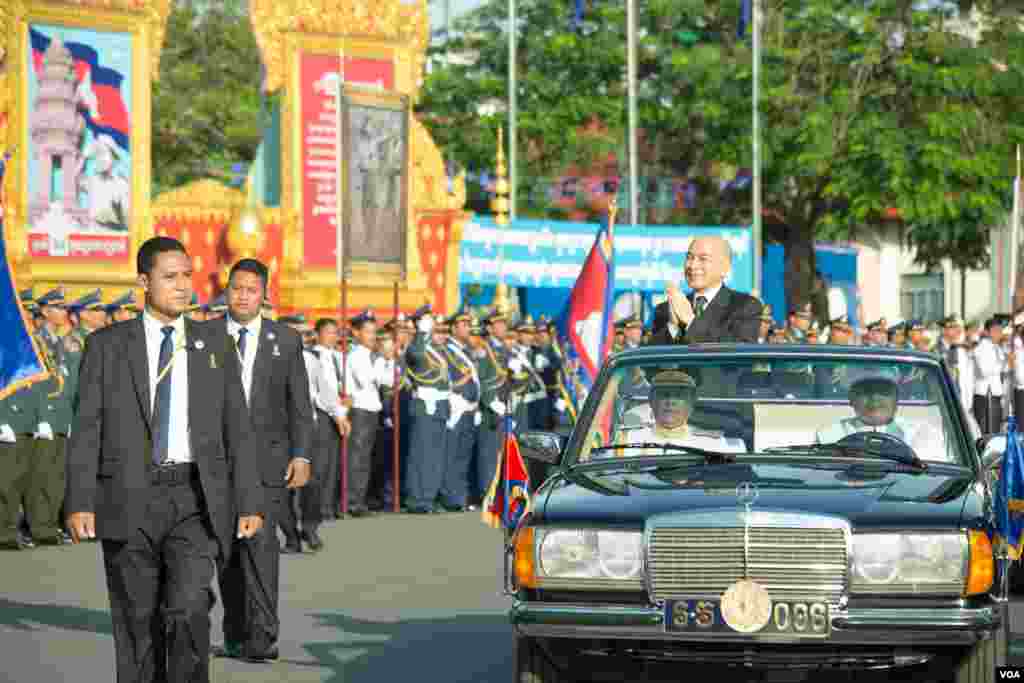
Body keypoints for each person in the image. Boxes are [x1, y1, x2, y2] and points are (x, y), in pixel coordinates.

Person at [65, 236, 264, 683]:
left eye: (187, 276)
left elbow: (239, 427)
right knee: (136, 620)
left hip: (193, 500)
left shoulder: (213, 344)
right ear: (143, 281)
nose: (182, 286)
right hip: (127, 497)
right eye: (169, 277)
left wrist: (249, 500)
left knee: (189, 607)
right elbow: (87, 428)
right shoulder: (107, 346)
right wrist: (79, 500)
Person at [215, 258, 313, 663]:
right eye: (236, 287)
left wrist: (302, 454)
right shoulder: (203, 336)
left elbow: (299, 405)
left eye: (251, 289)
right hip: (216, 463)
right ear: (227, 291)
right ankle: (235, 632)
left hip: (267, 463)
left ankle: (264, 635)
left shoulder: (285, 341)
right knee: (226, 552)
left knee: (261, 549)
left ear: (263, 295)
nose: (242, 295)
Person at [648, 235, 762, 344]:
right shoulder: (665, 309)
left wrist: (690, 321)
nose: (692, 265)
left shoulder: (745, 306)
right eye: (689, 257)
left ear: (725, 268)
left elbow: (737, 354)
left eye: (703, 259)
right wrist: (673, 327)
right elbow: (649, 360)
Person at [611, 370, 745, 454]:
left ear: (691, 403)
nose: (670, 401)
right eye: (664, 394)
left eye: (678, 396)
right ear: (651, 400)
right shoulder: (627, 441)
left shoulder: (712, 444)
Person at [815, 373, 943, 457]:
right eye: (865, 392)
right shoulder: (829, 434)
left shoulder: (922, 432)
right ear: (851, 400)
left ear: (896, 399)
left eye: (884, 392)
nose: (875, 399)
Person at [403, 307, 450, 513]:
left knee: (434, 455)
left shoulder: (436, 348)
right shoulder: (416, 346)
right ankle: (417, 499)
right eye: (427, 320)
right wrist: (420, 333)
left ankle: (428, 497)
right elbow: (418, 357)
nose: (432, 323)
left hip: (439, 406)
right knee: (421, 454)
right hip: (424, 406)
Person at [341, 309, 384, 517]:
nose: (372, 336)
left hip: (370, 410)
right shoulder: (357, 355)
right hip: (360, 410)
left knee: (364, 458)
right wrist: (383, 360)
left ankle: (359, 499)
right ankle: (351, 501)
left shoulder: (369, 355)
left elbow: (386, 380)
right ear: (357, 333)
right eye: (367, 332)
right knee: (357, 458)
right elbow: (366, 379)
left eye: (374, 332)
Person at [439, 309, 480, 512]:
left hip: (470, 410)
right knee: (452, 453)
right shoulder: (447, 350)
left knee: (463, 455)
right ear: (453, 328)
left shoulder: (467, 351)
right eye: (463, 324)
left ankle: (460, 496)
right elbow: (450, 380)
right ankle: (449, 496)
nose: (467, 328)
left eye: (468, 324)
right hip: (456, 407)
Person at [311, 318, 351, 524]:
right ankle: (314, 508)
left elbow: (344, 388)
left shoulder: (338, 357)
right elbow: (317, 391)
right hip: (321, 414)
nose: (333, 336)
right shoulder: (311, 356)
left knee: (334, 464)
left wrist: (343, 411)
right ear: (317, 334)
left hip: (339, 413)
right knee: (320, 464)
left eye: (335, 332)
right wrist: (336, 413)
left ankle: (328, 506)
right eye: (328, 332)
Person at [972, 317, 1008, 434]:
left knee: (995, 429)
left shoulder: (998, 348)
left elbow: (1006, 369)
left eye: (1000, 330)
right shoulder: (981, 348)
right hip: (985, 394)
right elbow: (984, 371)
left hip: (996, 393)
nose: (999, 334)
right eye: (995, 331)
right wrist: (1001, 364)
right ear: (987, 332)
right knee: (987, 431)